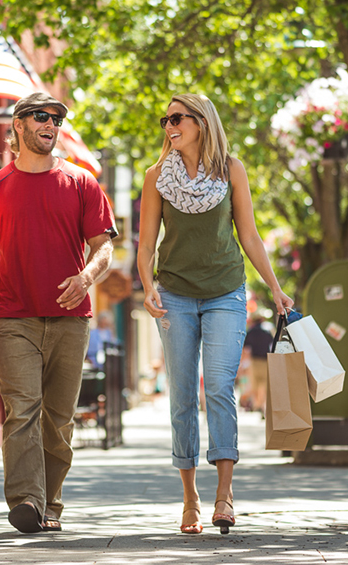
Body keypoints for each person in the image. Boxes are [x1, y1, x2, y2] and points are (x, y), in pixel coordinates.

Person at [136, 93, 293, 536]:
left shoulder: (231, 170)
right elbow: (145, 245)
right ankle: (190, 498)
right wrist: (148, 288)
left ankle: (224, 495)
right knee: (183, 395)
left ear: (202, 123)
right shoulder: (155, 178)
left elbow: (250, 235)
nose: (169, 125)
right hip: (175, 296)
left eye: (177, 118)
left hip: (226, 293)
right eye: (165, 118)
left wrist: (276, 289)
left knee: (220, 388)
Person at [0, 91, 117, 534]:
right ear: (18, 125)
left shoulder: (81, 183)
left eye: (56, 118)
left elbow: (104, 246)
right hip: (13, 318)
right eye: (41, 116)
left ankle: (51, 502)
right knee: (22, 410)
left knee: (58, 420)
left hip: (71, 321)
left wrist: (86, 278)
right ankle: (25, 501)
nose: (50, 124)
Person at [242, 313, 274, 412]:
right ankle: (263, 405)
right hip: (266, 361)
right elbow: (272, 345)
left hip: (254, 361)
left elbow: (246, 348)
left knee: (255, 384)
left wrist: (243, 363)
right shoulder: (267, 331)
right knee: (264, 385)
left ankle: (257, 404)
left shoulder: (251, 331)